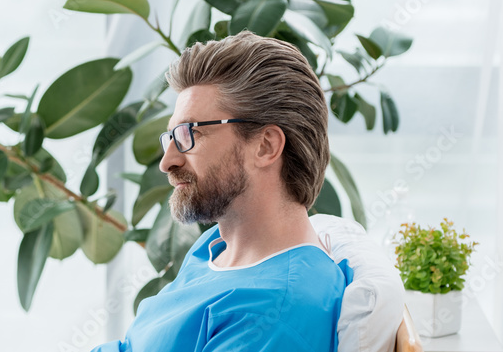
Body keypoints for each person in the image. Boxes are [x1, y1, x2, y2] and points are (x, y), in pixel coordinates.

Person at [93, 31, 352, 351]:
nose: (167, 161)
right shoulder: (214, 247)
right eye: (170, 136)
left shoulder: (272, 314)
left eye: (189, 134)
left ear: (265, 146)